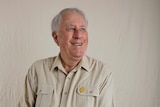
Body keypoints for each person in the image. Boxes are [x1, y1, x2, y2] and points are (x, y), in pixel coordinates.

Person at [21, 8, 114, 107]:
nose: (78, 35)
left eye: (82, 29)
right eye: (71, 28)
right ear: (56, 37)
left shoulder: (102, 73)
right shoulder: (37, 70)